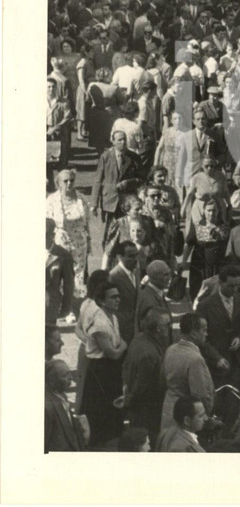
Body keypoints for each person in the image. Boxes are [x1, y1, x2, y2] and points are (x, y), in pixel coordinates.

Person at [78, 280, 128, 448]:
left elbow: (117, 345)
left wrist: (120, 346)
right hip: (100, 370)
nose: (118, 300)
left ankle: (111, 440)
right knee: (100, 411)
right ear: (102, 301)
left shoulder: (112, 317)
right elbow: (113, 352)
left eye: (118, 296)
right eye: (113, 297)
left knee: (113, 407)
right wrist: (123, 346)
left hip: (110, 370)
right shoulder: (99, 322)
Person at [121, 308, 171, 441]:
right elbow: (142, 387)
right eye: (167, 324)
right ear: (158, 329)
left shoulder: (138, 339)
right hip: (147, 411)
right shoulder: (150, 354)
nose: (170, 328)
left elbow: (126, 368)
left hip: (138, 407)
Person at [160, 313, 214, 433]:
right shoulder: (195, 359)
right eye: (204, 330)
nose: (206, 334)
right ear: (194, 333)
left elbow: (162, 380)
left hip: (168, 409)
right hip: (186, 417)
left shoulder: (170, 349)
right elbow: (201, 394)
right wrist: (207, 415)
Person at [46, 168, 93, 301]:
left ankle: (75, 303)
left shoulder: (81, 199)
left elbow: (86, 223)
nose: (69, 184)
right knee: (62, 274)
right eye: (65, 181)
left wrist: (88, 241)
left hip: (79, 243)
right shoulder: (51, 200)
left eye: (71, 181)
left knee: (78, 274)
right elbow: (47, 225)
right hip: (61, 243)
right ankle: (64, 306)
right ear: (58, 183)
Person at [45, 359, 88, 452]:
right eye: (65, 375)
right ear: (52, 381)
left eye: (69, 373)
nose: (71, 378)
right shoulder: (47, 408)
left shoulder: (61, 396)